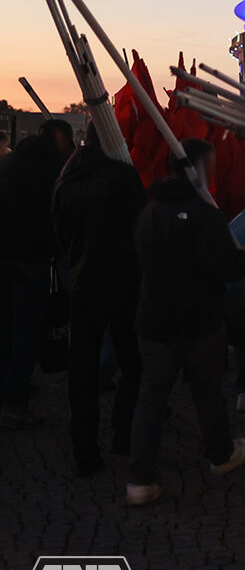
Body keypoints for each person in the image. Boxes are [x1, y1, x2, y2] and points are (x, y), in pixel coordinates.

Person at [126, 140, 245, 505]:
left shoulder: (149, 212)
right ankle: (220, 453)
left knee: (152, 397)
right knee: (207, 392)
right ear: (198, 166)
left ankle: (139, 478)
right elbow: (221, 266)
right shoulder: (203, 215)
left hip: (154, 319)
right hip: (198, 321)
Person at [52, 123, 147, 476]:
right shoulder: (122, 176)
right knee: (134, 363)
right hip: (122, 280)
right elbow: (140, 226)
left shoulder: (66, 179)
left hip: (82, 282)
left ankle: (85, 451)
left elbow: (59, 232)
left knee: (82, 370)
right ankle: (123, 434)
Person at [0, 119, 73, 428]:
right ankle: (14, 404)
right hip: (33, 262)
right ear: (61, 141)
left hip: (3, 257)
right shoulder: (54, 171)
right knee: (27, 333)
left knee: (5, 330)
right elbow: (59, 218)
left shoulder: (9, 163)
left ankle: (10, 389)